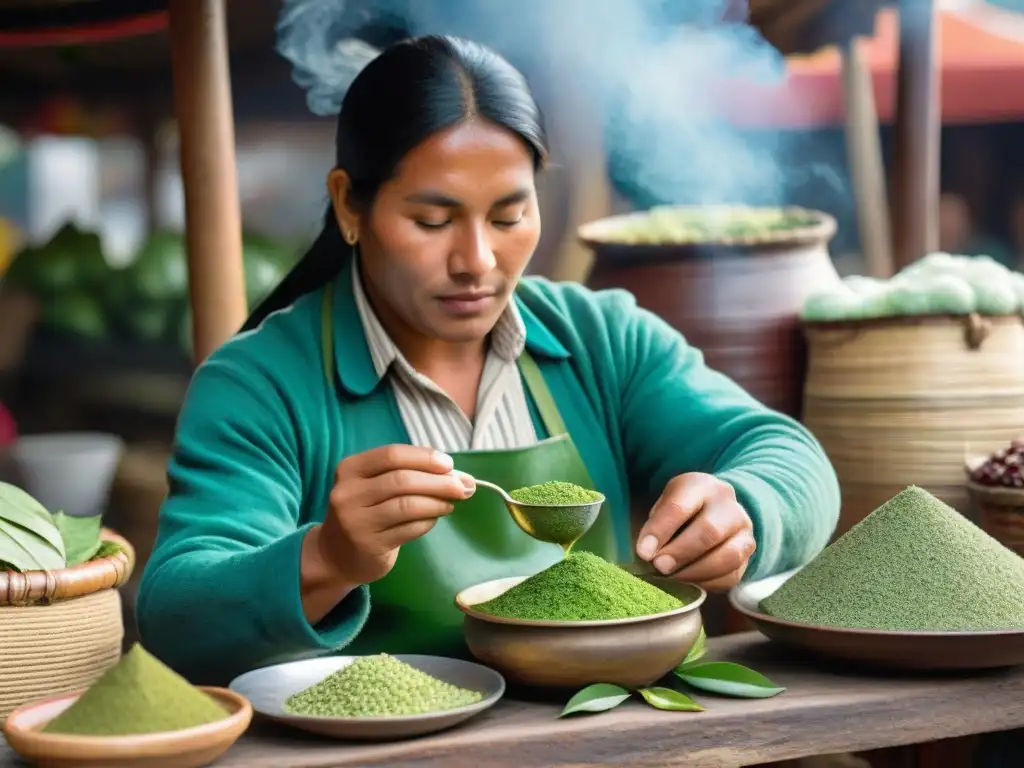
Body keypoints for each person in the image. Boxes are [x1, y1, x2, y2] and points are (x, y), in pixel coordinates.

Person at [136, 35, 841, 685]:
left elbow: (786, 453)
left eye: (508, 217)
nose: (477, 261)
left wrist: (745, 508)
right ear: (350, 206)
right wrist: (326, 559)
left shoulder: (602, 340)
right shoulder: (259, 386)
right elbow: (175, 617)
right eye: (432, 221)